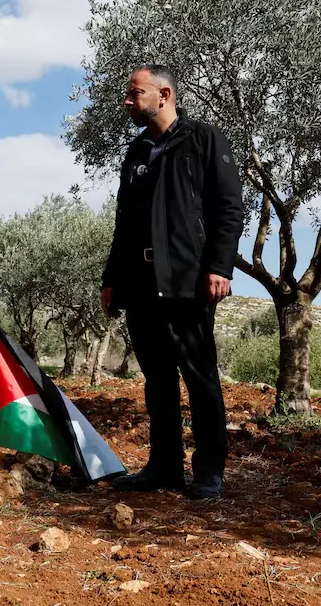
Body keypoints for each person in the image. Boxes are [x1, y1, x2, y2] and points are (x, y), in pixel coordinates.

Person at [101, 65, 244, 500]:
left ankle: (208, 473)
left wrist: (219, 267)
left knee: (199, 377)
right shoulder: (137, 150)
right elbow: (123, 221)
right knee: (157, 379)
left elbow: (229, 208)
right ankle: (164, 468)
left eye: (134, 93)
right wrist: (111, 278)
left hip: (187, 282)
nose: (128, 101)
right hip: (140, 283)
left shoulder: (203, 139)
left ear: (163, 95)